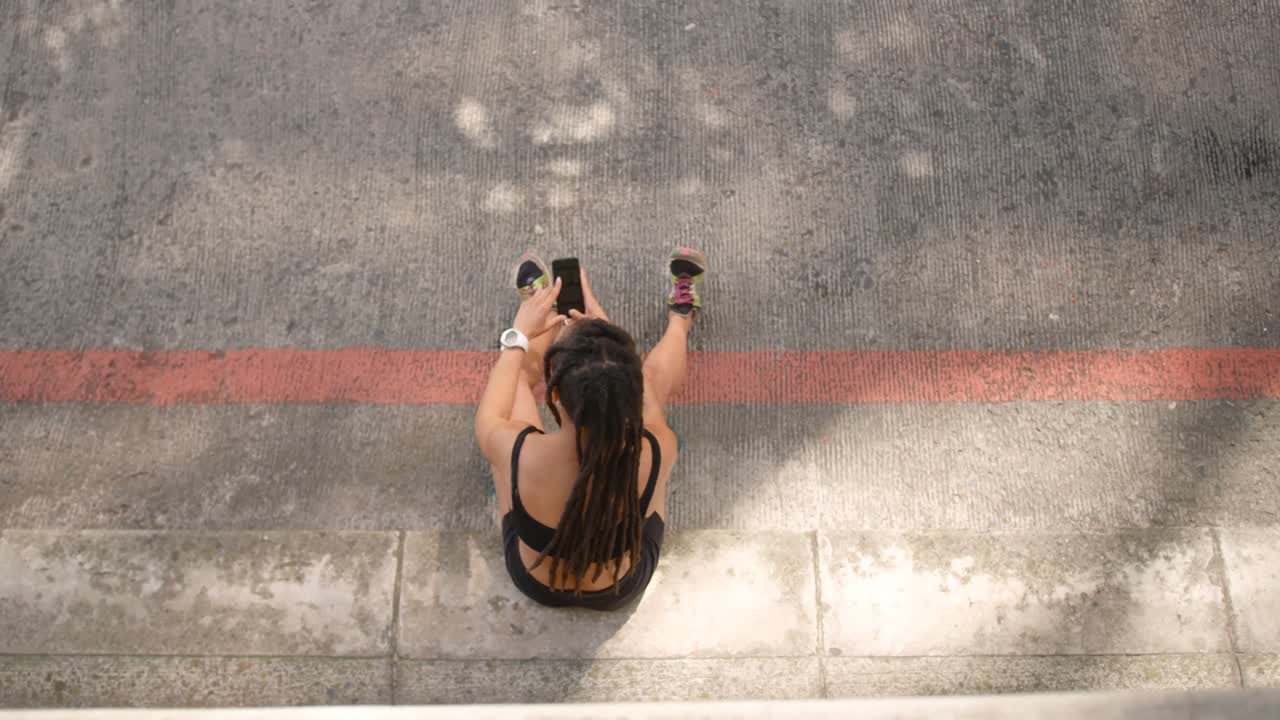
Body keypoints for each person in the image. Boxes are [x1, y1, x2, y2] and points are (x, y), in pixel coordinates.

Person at [474, 248, 708, 610]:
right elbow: (641, 395)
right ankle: (681, 315)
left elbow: (493, 408)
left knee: (516, 383)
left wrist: (519, 334)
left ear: (555, 393)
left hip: (536, 582)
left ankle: (541, 309)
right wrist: (612, 342)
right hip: (618, 588)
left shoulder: (518, 452)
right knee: (653, 395)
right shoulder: (655, 448)